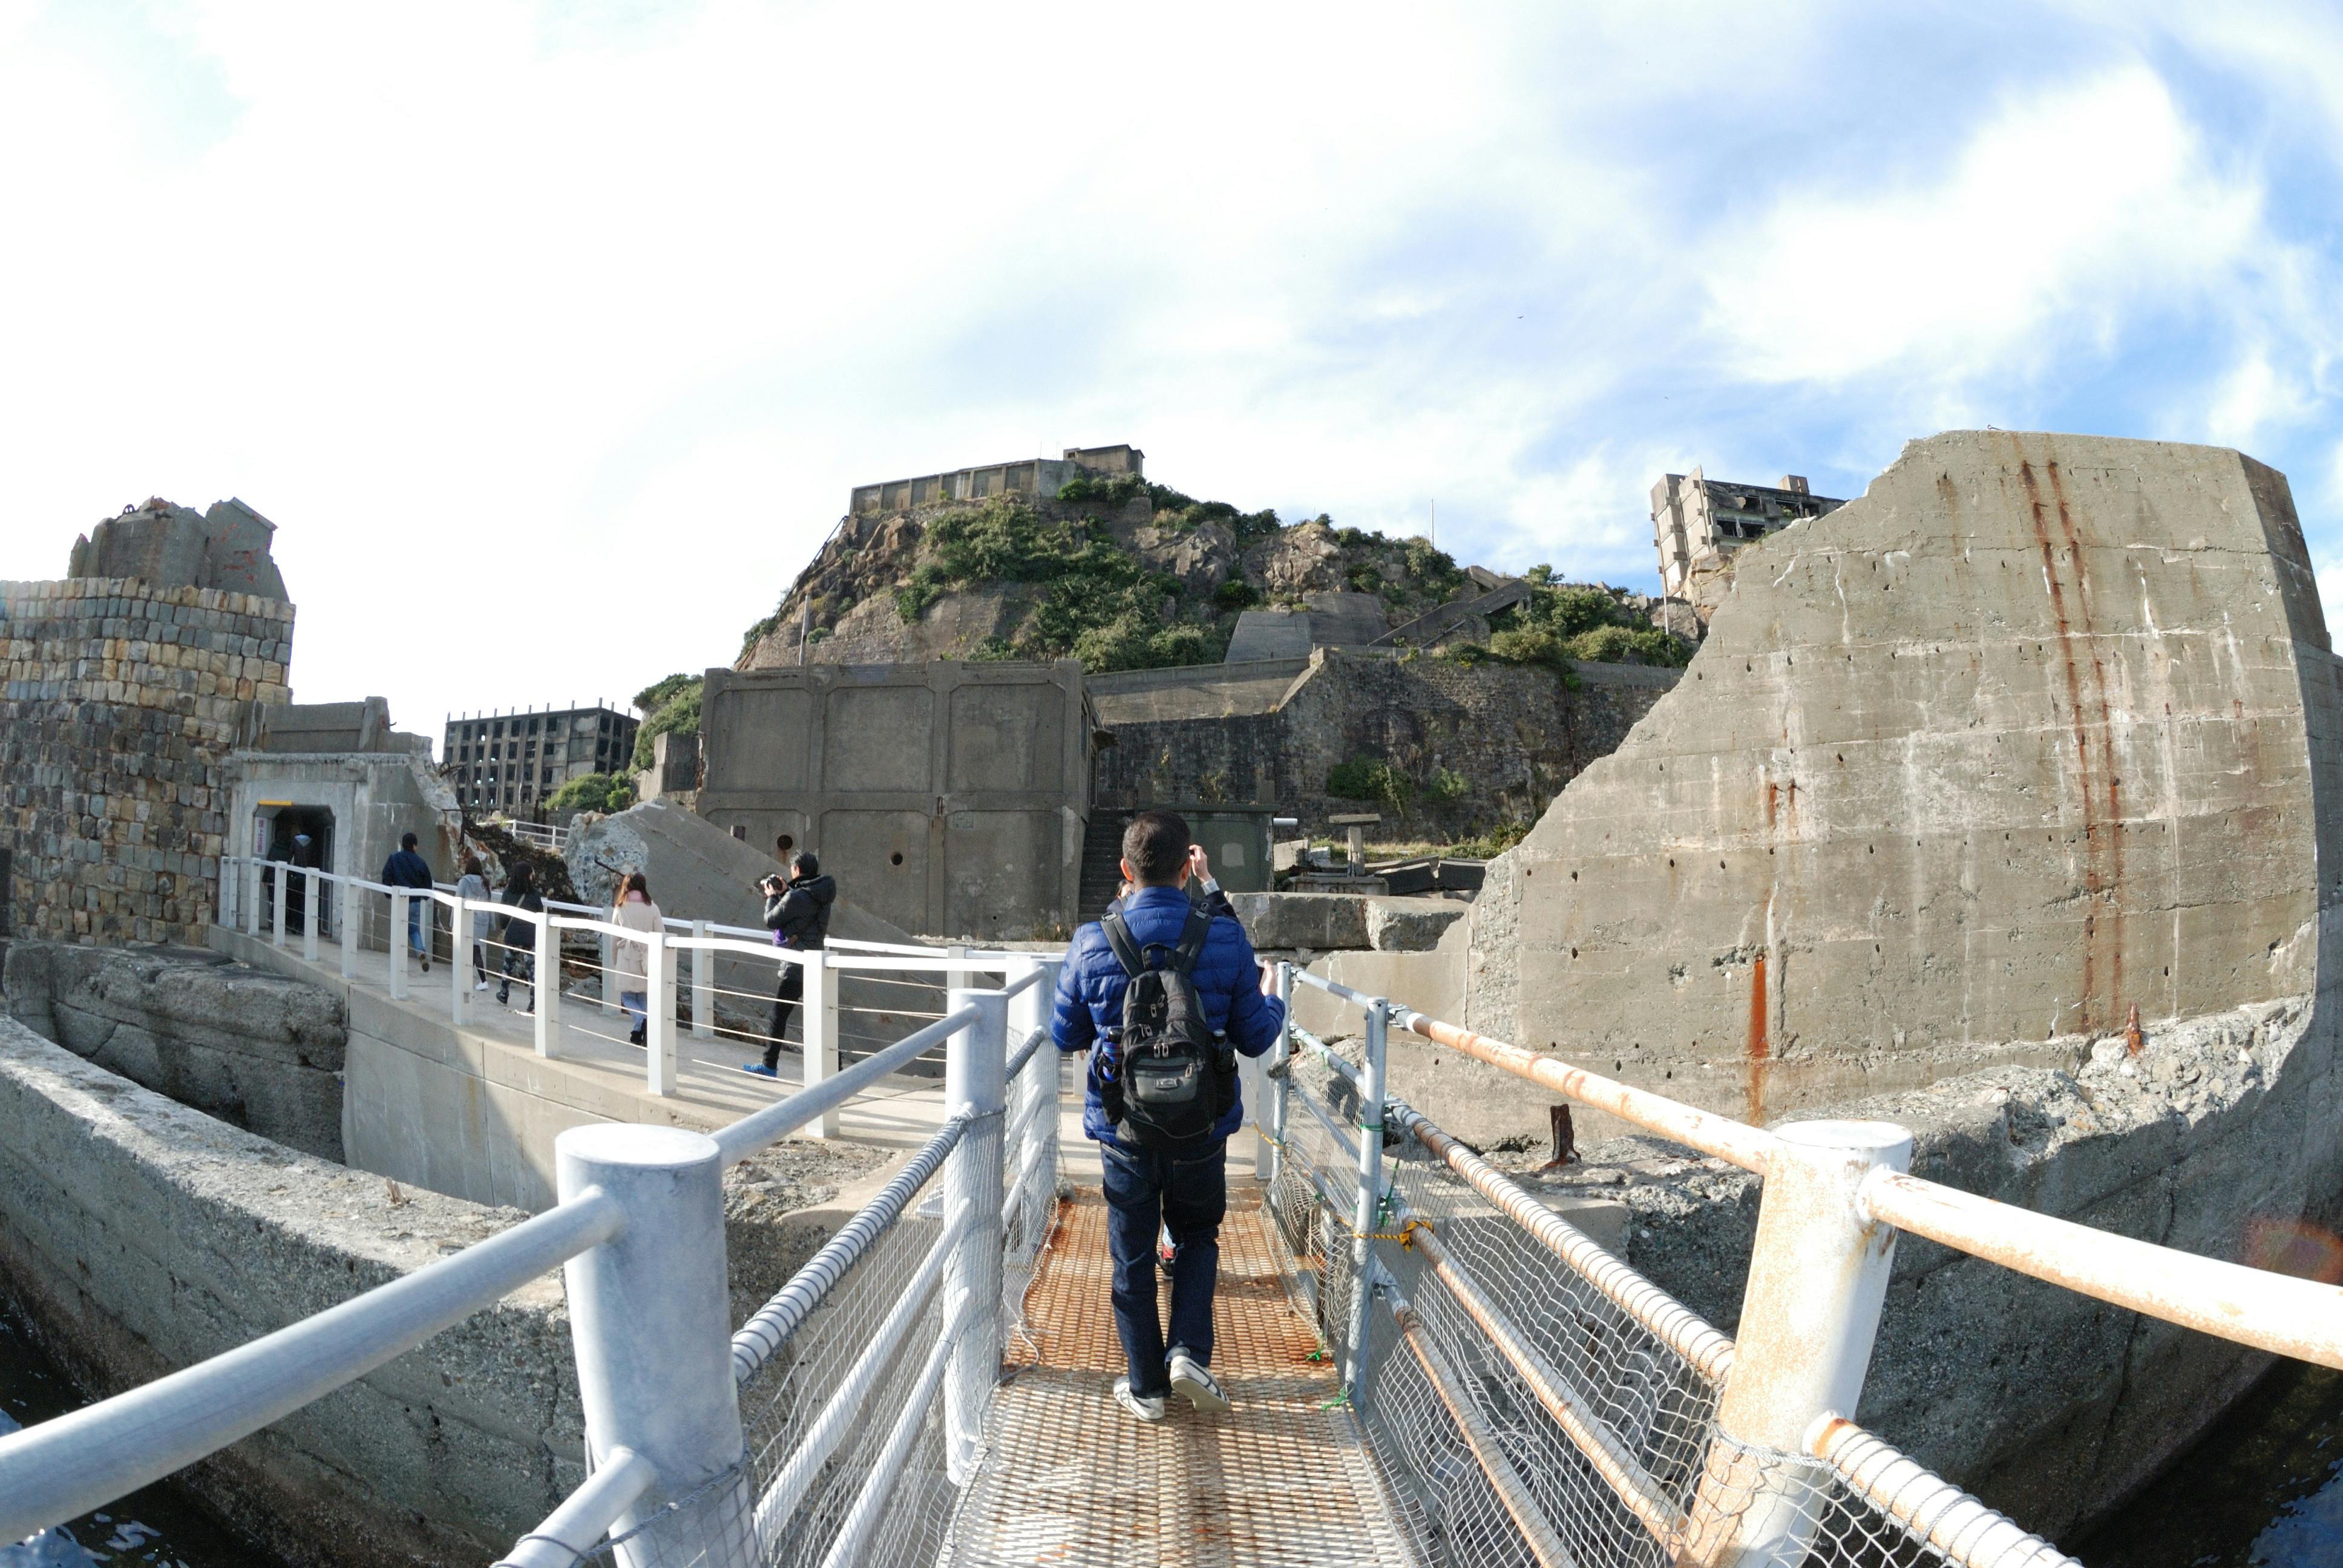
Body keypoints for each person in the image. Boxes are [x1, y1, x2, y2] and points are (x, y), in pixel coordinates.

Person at [1050, 810, 1284, 1423]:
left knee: (1130, 1256)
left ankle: (1145, 1387)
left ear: (1124, 871)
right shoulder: (1226, 938)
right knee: (1196, 1235)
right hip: (1201, 1128)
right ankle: (1188, 1351)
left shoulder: (1090, 940)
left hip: (1124, 1129)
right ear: (1188, 869)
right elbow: (1256, 1039)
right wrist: (1273, 998)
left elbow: (1063, 1032)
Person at [742, 851, 835, 1079]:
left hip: (796, 965)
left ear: (797, 870)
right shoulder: (822, 894)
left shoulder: (796, 897)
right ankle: (836, 1068)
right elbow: (804, 907)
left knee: (778, 1016)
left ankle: (769, 1066)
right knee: (823, 1017)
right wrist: (786, 892)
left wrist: (773, 896)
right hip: (816, 963)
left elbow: (771, 920)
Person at [611, 872, 664, 1048]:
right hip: (646, 958)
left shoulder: (621, 908)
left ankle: (641, 1020)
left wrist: (614, 958)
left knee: (627, 995)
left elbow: (614, 937)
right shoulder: (653, 908)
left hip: (626, 956)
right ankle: (639, 1032)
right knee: (642, 995)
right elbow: (661, 933)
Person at [381, 831, 436, 972]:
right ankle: (421, 951)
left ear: (403, 844)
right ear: (414, 846)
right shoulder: (420, 862)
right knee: (414, 930)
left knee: (399, 929)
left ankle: (398, 963)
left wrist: (389, 894)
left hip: (400, 900)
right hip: (415, 902)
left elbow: (386, 876)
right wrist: (424, 896)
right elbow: (427, 883)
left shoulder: (394, 858)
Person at [496, 862, 545, 1010]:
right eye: (531, 875)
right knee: (532, 969)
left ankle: (504, 994)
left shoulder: (508, 893)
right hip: (530, 937)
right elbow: (540, 914)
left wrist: (505, 928)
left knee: (508, 965)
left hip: (513, 936)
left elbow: (503, 917)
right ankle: (534, 1000)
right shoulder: (535, 895)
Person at [454, 855, 493, 990]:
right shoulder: (486, 883)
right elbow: (490, 904)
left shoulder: (464, 882)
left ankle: (483, 981)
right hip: (482, 922)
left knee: (475, 950)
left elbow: (458, 901)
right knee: (473, 949)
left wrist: (453, 922)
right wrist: (492, 924)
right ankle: (466, 977)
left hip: (469, 920)